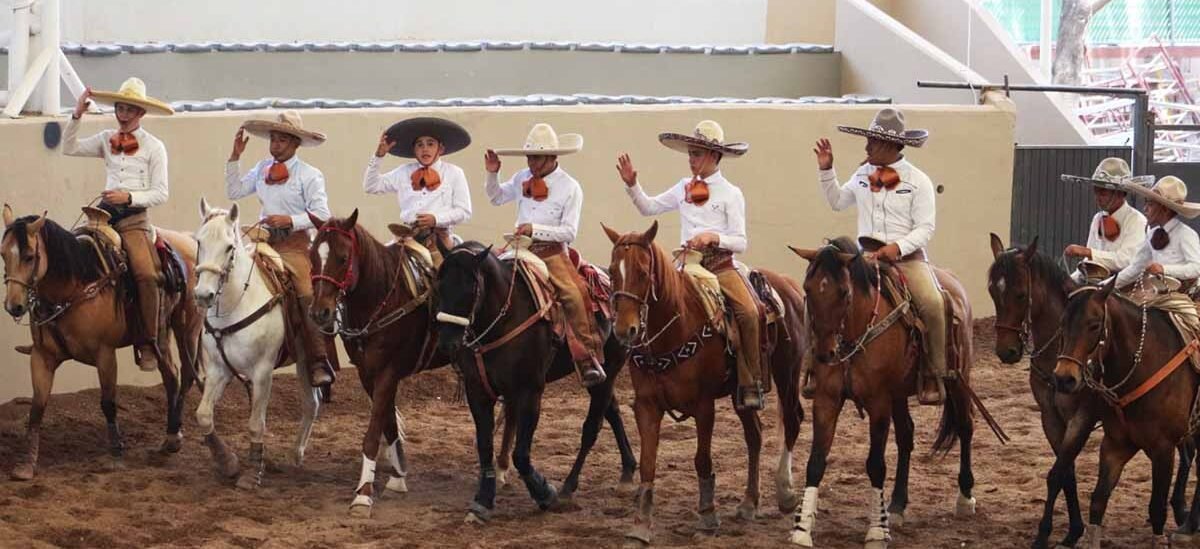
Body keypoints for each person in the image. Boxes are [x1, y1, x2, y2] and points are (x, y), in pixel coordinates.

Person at [615, 120, 764, 410]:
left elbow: (740, 241)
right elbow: (649, 207)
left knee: (748, 311)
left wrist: (712, 237)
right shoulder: (682, 187)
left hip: (720, 267)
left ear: (713, 156)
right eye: (691, 153)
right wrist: (632, 184)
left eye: (696, 153)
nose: (691, 159)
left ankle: (750, 381)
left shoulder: (731, 194)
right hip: (685, 266)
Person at [813, 107, 947, 404]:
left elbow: (925, 228)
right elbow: (837, 201)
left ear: (890, 145)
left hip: (907, 260)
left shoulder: (918, 180)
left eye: (872, 141)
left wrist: (896, 248)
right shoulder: (863, 174)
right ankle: (816, 368)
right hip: (865, 259)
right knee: (824, 295)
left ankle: (935, 374)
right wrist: (826, 169)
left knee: (934, 303)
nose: (867, 146)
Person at [62, 77, 173, 372]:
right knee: (69, 255)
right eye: (120, 109)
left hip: (134, 219)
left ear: (141, 114)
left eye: (129, 110)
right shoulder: (104, 139)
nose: (123, 115)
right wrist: (76, 115)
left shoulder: (155, 147)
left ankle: (148, 341)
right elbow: (68, 147)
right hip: (103, 216)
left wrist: (129, 196)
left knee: (147, 274)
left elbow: (162, 192)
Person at [483, 123, 606, 387]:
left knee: (574, 294)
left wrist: (535, 229)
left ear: (553, 157)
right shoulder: (520, 178)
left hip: (551, 254)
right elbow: (495, 198)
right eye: (529, 157)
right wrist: (493, 174)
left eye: (536, 158)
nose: (531, 163)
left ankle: (587, 358)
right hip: (518, 248)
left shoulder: (570, 187)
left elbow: (569, 232)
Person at [225, 110, 336, 387]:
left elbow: (322, 214)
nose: (276, 145)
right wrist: (235, 157)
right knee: (233, 275)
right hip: (263, 240)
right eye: (273, 139)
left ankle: (318, 359)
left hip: (295, 245)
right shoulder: (262, 168)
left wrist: (291, 220)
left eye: (282, 140)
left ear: (295, 144)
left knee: (305, 291)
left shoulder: (310, 175)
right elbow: (235, 192)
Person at [363, 117, 473, 267]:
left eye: (430, 144)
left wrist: (436, 219)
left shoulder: (454, 173)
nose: (425, 149)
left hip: (439, 238)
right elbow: (371, 186)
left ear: (440, 149)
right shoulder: (403, 172)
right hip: (406, 238)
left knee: (449, 277)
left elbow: (464, 212)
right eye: (419, 145)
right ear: (414, 151)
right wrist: (378, 157)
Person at [1061, 157, 1149, 283]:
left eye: (1102, 193)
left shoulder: (1137, 221)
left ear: (1119, 193)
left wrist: (1088, 252)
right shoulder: (1098, 218)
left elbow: (1126, 260)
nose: (1097, 197)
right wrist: (1068, 282)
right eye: (1095, 192)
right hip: (1096, 284)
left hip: (1125, 287)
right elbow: (1090, 262)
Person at [1113, 175, 1200, 291]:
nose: (1145, 209)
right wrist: (1104, 286)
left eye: (1150, 204)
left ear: (1165, 209)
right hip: (1157, 294)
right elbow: (1135, 268)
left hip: (1184, 296)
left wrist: (1164, 269)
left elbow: (1196, 268)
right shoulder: (1151, 234)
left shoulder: (1186, 234)